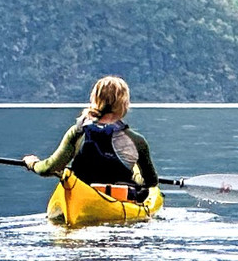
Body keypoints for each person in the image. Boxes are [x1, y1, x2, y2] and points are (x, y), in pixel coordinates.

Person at [24, 75, 160, 201]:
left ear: (94, 100)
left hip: (81, 197)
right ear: (124, 105)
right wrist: (135, 172)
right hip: (120, 200)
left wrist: (33, 163)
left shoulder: (78, 132)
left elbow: (48, 168)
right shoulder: (136, 141)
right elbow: (150, 182)